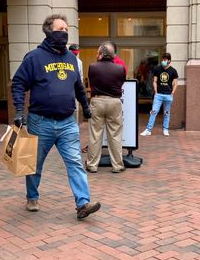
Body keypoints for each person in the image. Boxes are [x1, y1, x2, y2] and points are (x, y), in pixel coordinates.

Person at [11, 14, 101, 220]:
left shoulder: (71, 58)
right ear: (49, 31)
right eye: (60, 29)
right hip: (40, 122)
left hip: (68, 122)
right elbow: (18, 84)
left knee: (75, 163)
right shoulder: (33, 58)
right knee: (35, 164)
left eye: (67, 29)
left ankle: (83, 203)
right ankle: (32, 197)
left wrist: (86, 108)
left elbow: (78, 87)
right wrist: (18, 111)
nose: (65, 33)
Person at [86, 42, 126, 173]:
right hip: (114, 102)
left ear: (102, 54)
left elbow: (91, 81)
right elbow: (121, 83)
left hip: (97, 101)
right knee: (115, 135)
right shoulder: (120, 69)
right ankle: (117, 165)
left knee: (95, 135)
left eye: (98, 53)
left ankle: (92, 165)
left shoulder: (93, 67)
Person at [140, 52, 178, 136]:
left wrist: (172, 93)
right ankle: (148, 130)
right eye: (162, 59)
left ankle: (165, 129)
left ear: (169, 61)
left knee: (167, 113)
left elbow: (175, 83)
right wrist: (156, 91)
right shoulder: (157, 69)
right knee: (153, 111)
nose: (163, 61)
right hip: (159, 95)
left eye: (165, 60)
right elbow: (155, 81)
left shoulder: (173, 71)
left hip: (168, 95)